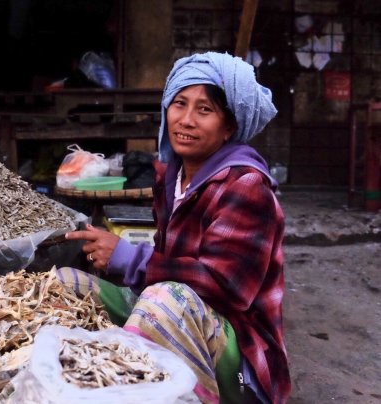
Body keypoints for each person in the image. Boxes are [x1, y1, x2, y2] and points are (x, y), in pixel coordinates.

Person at [61, 52, 290, 403]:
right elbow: (169, 268)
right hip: (178, 318)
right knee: (65, 285)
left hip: (240, 362)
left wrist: (129, 259)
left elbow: (227, 288)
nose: (186, 120)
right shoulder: (173, 176)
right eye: (179, 103)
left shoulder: (245, 186)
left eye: (205, 110)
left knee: (164, 299)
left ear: (229, 126)